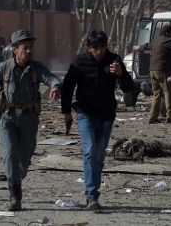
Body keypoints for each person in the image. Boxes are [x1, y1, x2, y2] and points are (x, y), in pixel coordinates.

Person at [0, 29, 62, 211]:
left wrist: (55, 86)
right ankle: (15, 196)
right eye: (25, 48)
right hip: (6, 118)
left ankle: (15, 176)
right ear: (15, 49)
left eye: (31, 47)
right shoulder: (4, 68)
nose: (29, 51)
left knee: (24, 158)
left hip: (29, 119)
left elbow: (50, 78)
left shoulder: (36, 68)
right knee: (10, 153)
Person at [61, 30, 134, 211]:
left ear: (106, 46)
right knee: (90, 151)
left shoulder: (114, 60)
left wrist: (120, 74)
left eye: (102, 48)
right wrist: (66, 112)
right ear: (89, 48)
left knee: (99, 156)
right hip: (86, 114)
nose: (99, 52)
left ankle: (93, 190)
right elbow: (68, 87)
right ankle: (91, 195)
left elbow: (128, 87)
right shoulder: (79, 62)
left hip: (107, 115)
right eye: (95, 48)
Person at [133, 25, 171, 124]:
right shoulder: (169, 40)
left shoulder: (155, 40)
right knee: (168, 93)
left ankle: (153, 117)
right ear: (167, 33)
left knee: (156, 94)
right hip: (162, 70)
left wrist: (138, 47)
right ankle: (170, 117)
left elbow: (146, 46)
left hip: (152, 71)